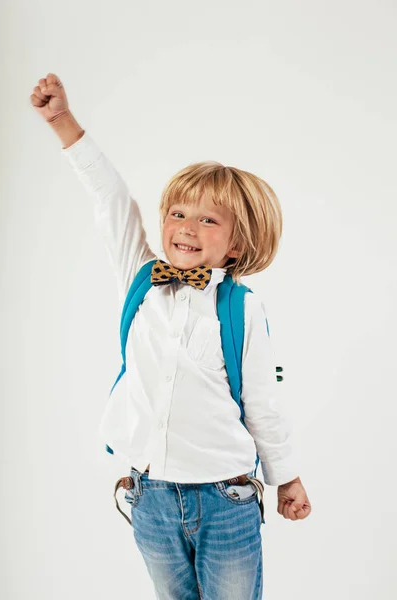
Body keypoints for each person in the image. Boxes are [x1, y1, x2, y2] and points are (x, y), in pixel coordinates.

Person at [30, 73, 311, 600]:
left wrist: (286, 477)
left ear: (236, 244)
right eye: (178, 213)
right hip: (149, 496)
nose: (186, 226)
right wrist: (62, 122)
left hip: (224, 497)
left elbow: (263, 403)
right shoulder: (140, 278)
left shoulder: (241, 310)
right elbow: (110, 197)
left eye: (208, 220)